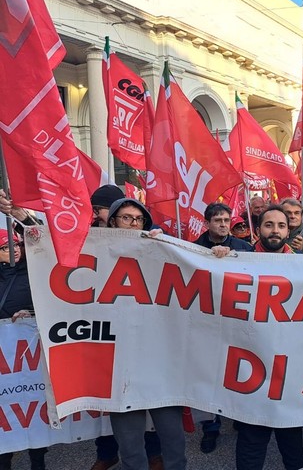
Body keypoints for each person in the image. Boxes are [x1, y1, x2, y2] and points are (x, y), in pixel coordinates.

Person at [106, 198, 186, 470]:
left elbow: (197, 268)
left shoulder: (159, 249)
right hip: (120, 370)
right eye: (127, 218)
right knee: (130, 451)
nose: (134, 224)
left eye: (139, 219)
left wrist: (168, 247)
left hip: (160, 366)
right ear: (113, 221)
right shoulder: (96, 252)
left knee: (174, 444)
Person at [236, 205, 303, 470]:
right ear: (258, 229)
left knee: (289, 427)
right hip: (250, 359)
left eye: (281, 225)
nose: (274, 231)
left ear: (289, 231)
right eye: (269, 225)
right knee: (253, 430)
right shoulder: (238, 260)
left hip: (290, 362)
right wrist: (215, 257)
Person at [192, 202, 252, 452]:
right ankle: (211, 428)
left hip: (237, 320)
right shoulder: (192, 249)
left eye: (227, 220)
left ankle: (240, 416)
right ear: (207, 223)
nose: (224, 225)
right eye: (218, 220)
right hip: (207, 321)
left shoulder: (245, 248)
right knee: (211, 375)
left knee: (240, 371)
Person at [0, 230, 48, 470]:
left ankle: (38, 461)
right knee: (6, 410)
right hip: (4, 357)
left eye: (16, 244)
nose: (15, 249)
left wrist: (30, 313)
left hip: (28, 353)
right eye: (7, 247)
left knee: (31, 405)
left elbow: (47, 302)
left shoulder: (33, 271)